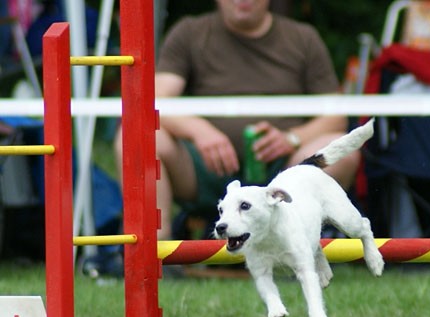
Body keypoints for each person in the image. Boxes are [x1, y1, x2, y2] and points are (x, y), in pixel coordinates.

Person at [114, 0, 357, 242]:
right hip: (204, 169)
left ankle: (300, 248)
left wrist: (292, 139)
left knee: (340, 150)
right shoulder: (189, 32)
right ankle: (155, 253)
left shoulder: (303, 37)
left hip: (284, 171)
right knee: (136, 136)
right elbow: (152, 102)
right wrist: (199, 131)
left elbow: (336, 115)